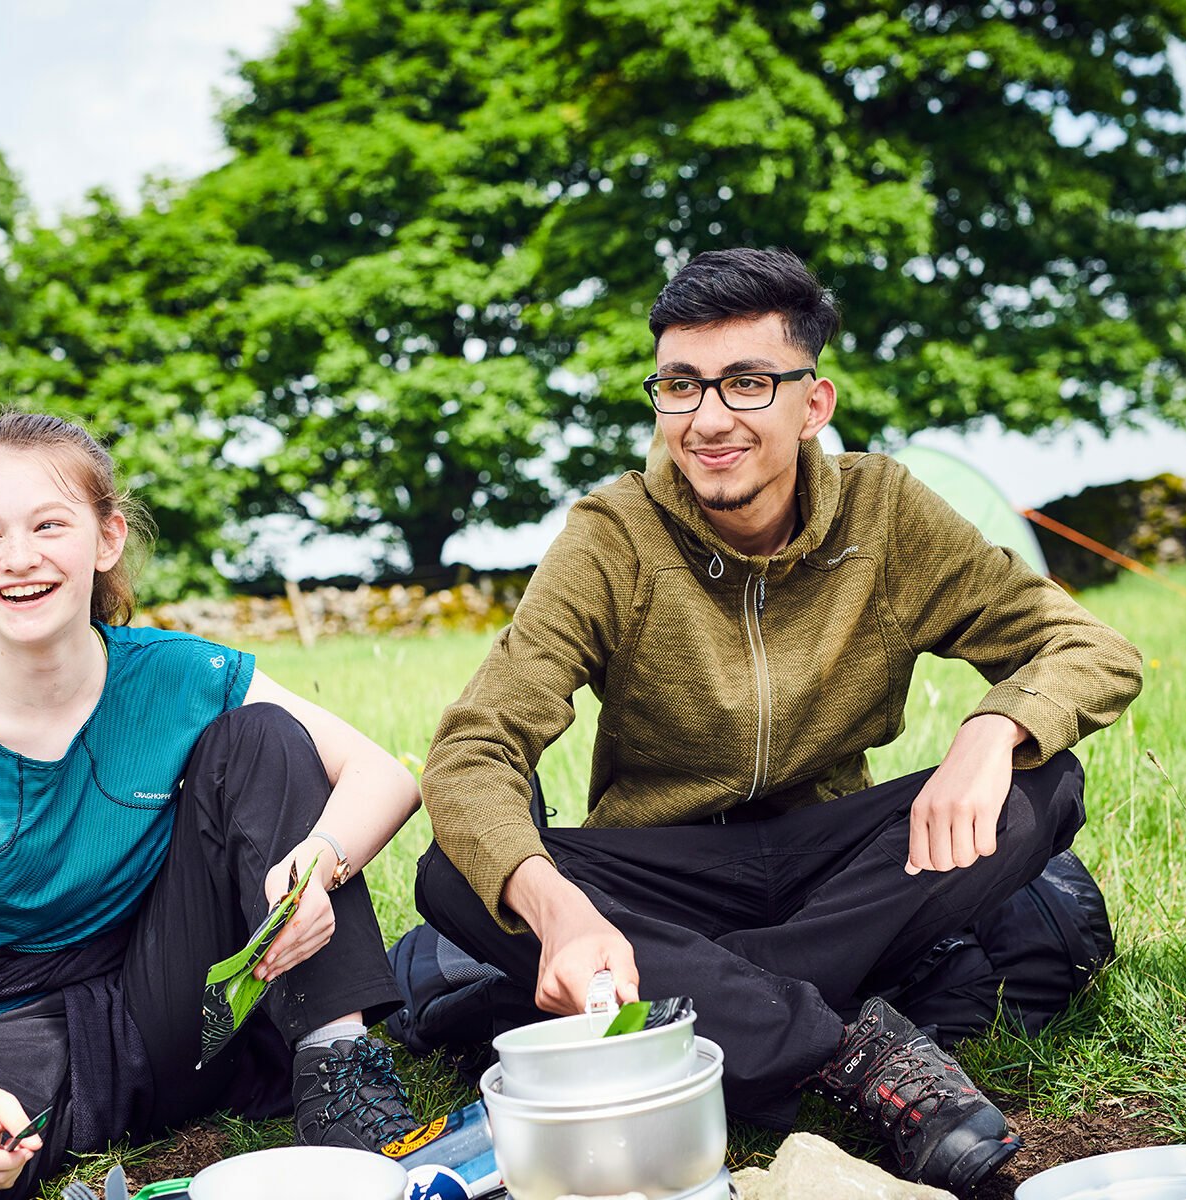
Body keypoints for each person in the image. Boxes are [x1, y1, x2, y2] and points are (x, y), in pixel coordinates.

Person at [414, 247, 1143, 1192]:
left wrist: (993, 729)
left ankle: (701, 1009)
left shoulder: (886, 514)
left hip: (833, 862)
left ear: (815, 403)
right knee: (457, 876)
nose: (709, 419)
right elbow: (475, 750)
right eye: (681, 387)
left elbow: (1093, 649)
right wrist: (559, 911)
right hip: (666, 872)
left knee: (1043, 783)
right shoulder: (612, 535)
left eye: (748, 383)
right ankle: (847, 1048)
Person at [0, 412, 422, 1198]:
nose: (19, 559)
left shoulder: (179, 672)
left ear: (107, 537)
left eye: (50, 525)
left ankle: (337, 1075)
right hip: (25, 1032)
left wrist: (320, 865)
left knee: (263, 735)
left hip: (197, 1016)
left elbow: (385, 776)